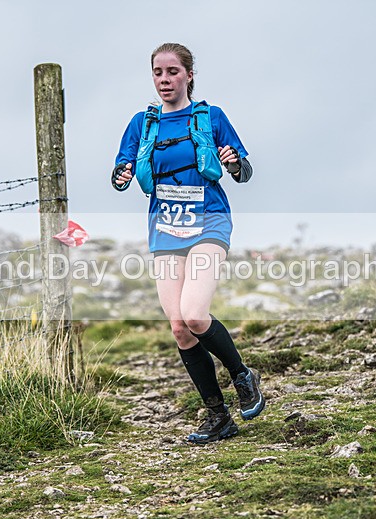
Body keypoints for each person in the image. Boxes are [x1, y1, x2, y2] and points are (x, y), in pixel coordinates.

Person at [112, 43, 264, 444]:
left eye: (173, 72)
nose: (165, 80)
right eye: (158, 73)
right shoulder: (142, 124)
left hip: (209, 221)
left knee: (195, 315)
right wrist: (122, 175)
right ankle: (218, 416)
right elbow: (121, 169)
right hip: (165, 228)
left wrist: (232, 162)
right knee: (180, 328)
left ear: (189, 75)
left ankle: (243, 377)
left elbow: (242, 171)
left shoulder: (211, 117)